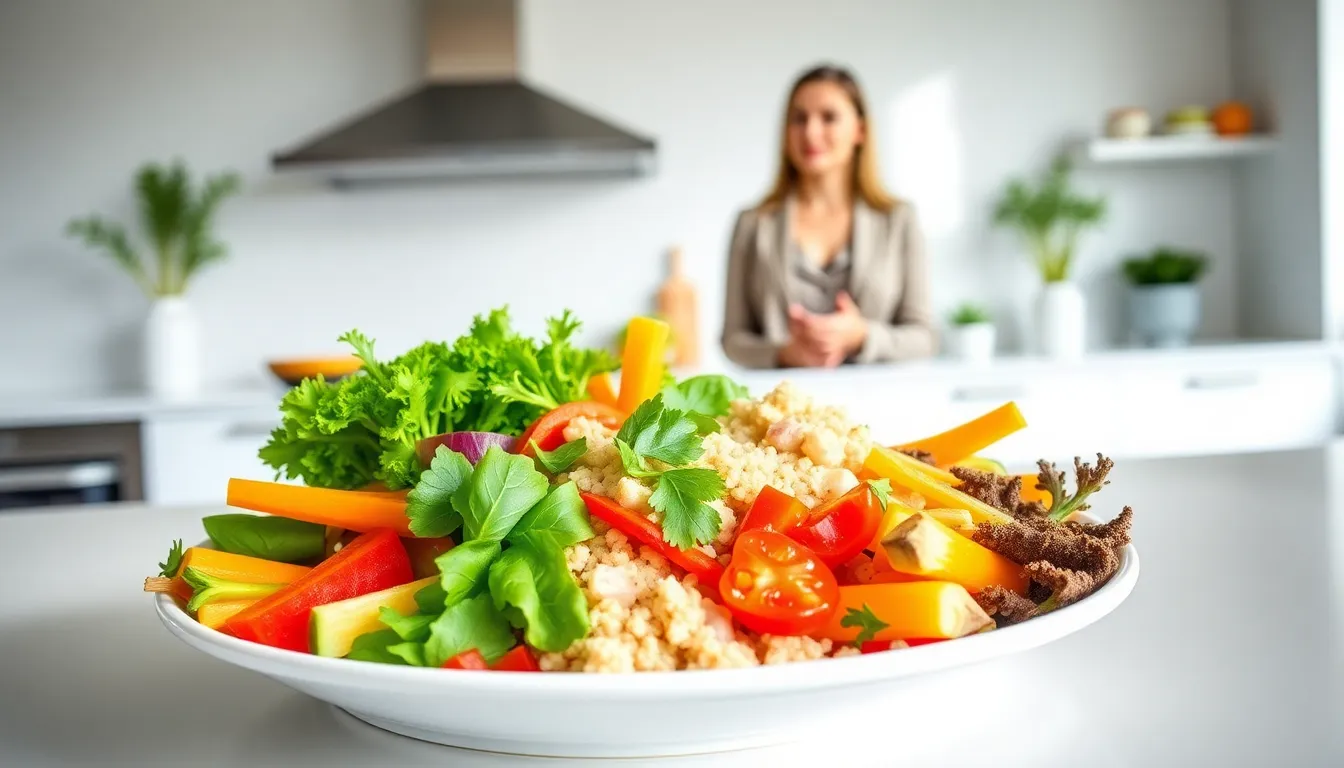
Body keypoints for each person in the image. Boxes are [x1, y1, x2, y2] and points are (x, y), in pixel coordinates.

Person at [721, 64, 936, 368]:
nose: (810, 132)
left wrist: (862, 336)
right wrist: (784, 353)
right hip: (783, 393)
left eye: (829, 117)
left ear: (860, 130)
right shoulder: (753, 224)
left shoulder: (899, 220)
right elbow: (733, 339)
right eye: (799, 119)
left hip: (878, 392)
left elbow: (924, 337)